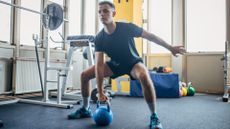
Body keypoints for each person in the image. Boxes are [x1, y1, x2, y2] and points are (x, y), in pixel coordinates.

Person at [68, 1, 185, 129]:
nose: (102, 14)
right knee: (84, 75)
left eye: (106, 11)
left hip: (133, 63)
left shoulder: (126, 28)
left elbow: (150, 37)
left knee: (144, 77)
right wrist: (100, 92)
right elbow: (99, 66)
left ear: (114, 13)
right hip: (115, 64)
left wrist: (170, 47)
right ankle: (85, 109)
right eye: (99, 12)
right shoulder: (99, 38)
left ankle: (154, 116)